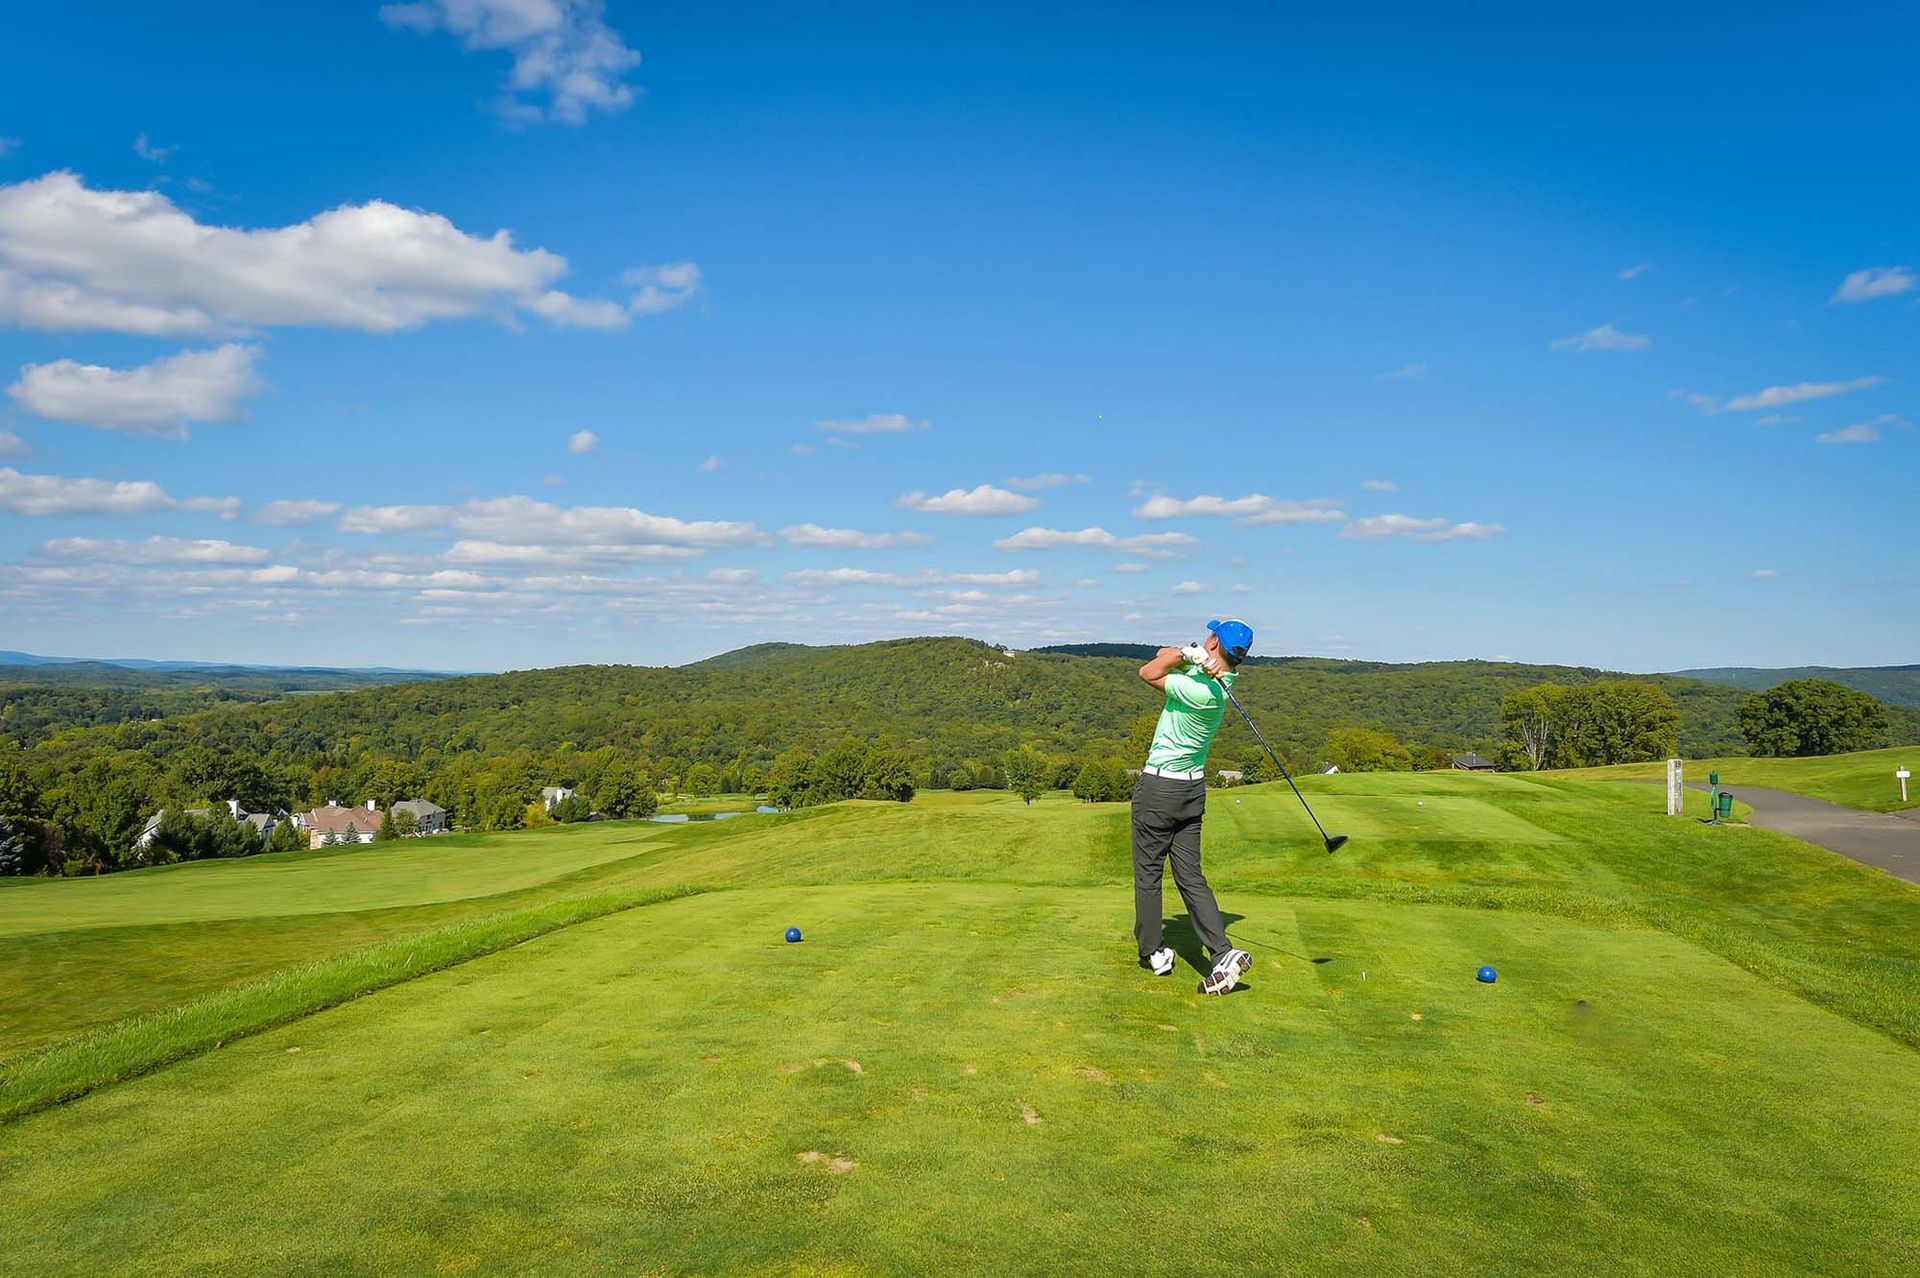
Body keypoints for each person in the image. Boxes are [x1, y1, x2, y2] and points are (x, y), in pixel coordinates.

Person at [1131, 617, 1254, 995]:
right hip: (1192, 790)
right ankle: (1222, 953)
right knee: (1190, 876)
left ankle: (1153, 952)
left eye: (1208, 636)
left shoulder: (1200, 691)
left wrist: (1188, 656)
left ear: (1214, 642)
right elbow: (1163, 654)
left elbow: (1149, 671)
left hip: (1159, 788)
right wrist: (1194, 657)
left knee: (1148, 874)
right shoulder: (1222, 682)